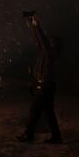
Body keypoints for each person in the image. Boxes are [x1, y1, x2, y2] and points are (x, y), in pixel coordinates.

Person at [17, 13, 62, 144]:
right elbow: (39, 42)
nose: (49, 41)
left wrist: (38, 26)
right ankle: (56, 136)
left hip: (46, 85)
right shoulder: (47, 53)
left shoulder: (51, 53)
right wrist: (33, 26)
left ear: (54, 44)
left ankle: (28, 135)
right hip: (47, 85)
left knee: (35, 109)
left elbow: (43, 41)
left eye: (51, 41)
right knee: (48, 112)